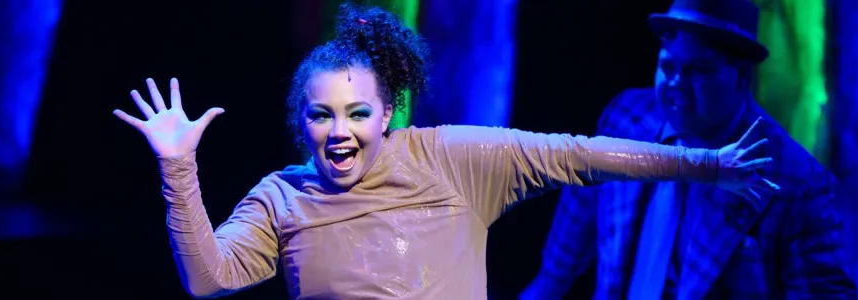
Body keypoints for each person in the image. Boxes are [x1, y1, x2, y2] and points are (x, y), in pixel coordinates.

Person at [111, 4, 778, 299]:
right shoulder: (281, 198)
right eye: (321, 115)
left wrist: (707, 165)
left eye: (357, 113)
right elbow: (207, 279)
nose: (339, 131)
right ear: (302, 120)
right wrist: (177, 167)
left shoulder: (455, 160)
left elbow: (583, 155)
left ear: (389, 112)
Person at [521, 0, 857, 299]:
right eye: (668, 67)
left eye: (698, 70)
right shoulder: (624, 122)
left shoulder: (795, 184)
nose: (677, 82)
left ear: (741, 78)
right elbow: (558, 267)